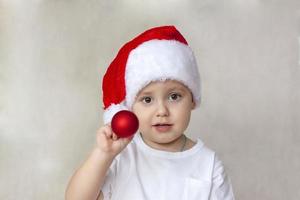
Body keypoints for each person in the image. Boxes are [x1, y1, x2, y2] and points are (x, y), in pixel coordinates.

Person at [65, 25, 235, 200]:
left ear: (193, 99)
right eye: (147, 100)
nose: (162, 111)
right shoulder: (121, 156)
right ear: (130, 108)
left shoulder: (209, 164)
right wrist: (103, 153)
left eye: (174, 96)